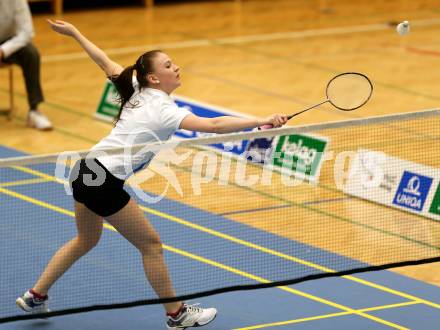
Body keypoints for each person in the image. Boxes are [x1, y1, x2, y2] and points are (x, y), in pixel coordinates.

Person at [15, 19, 288, 329]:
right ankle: (177, 314)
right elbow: (213, 126)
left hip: (84, 170)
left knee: (86, 239)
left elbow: (103, 60)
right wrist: (261, 120)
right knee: (151, 246)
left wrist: (75, 32)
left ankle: (36, 295)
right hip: (103, 180)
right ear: (155, 78)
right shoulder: (164, 110)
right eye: (169, 65)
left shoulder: (135, 90)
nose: (177, 68)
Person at [0, 0, 52, 130]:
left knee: (31, 54)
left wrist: (3, 50)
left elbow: (27, 32)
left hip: (7, 43)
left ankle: (34, 111)